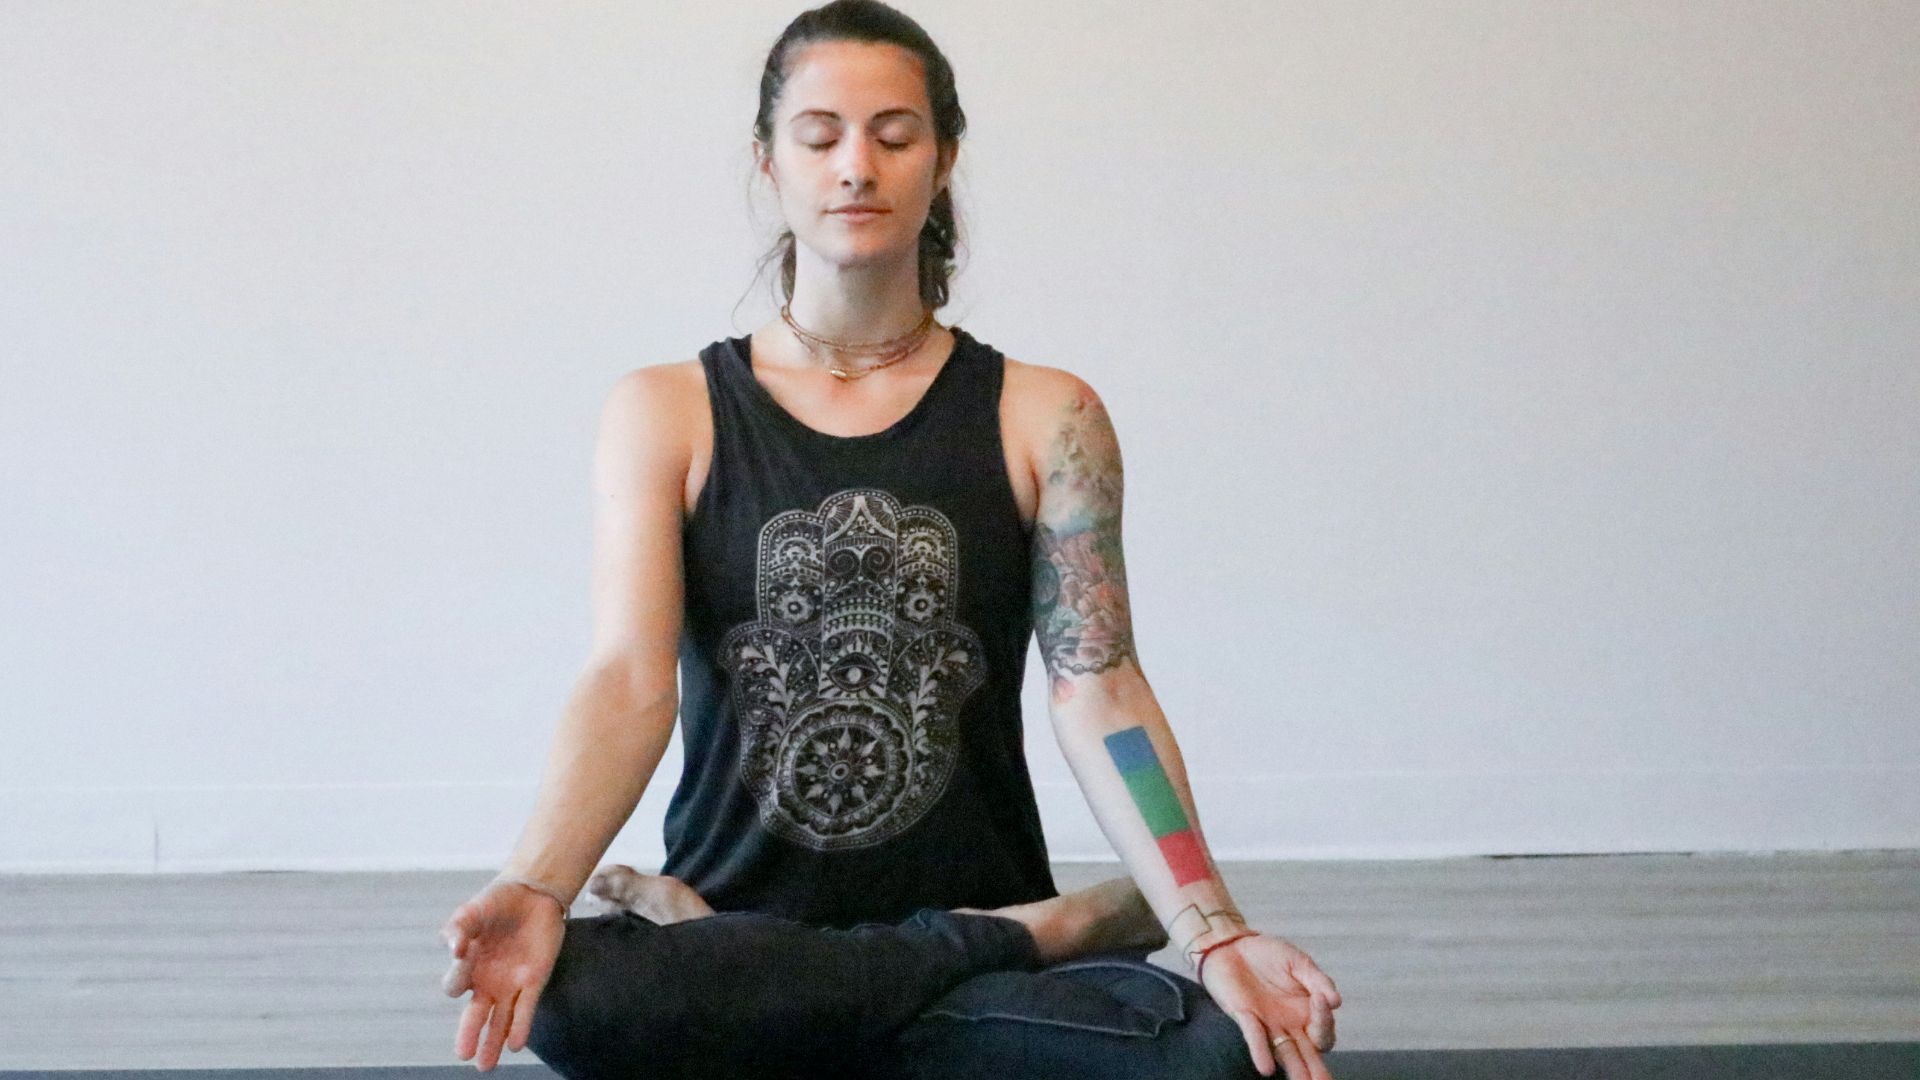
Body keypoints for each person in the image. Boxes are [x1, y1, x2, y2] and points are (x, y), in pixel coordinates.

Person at [438, 3, 1343, 1078]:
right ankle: (1039, 937)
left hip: (817, 961)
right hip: (752, 934)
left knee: (1213, 1052)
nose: (855, 166)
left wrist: (1210, 924)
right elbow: (631, 679)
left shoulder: (1047, 415)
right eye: (819, 137)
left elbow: (1102, 689)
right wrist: (538, 884)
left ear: (943, 158)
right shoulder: (665, 411)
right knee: (573, 1003)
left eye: (894, 135)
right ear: (768, 161)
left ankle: (847, 1007)